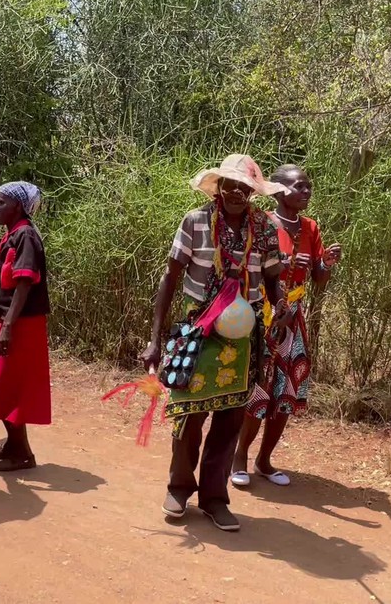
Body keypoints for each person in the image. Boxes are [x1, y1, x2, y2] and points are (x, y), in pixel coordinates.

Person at [139, 154, 293, 532]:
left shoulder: (264, 229)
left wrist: (280, 305)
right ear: (218, 187)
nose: (237, 193)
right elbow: (170, 278)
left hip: (244, 338)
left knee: (230, 419)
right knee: (189, 415)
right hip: (198, 330)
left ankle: (214, 498)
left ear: (253, 192)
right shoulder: (195, 222)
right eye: (231, 186)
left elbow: (273, 280)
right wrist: (155, 340)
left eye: (245, 187)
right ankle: (179, 488)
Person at [231, 165, 342, 488]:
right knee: (259, 389)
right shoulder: (262, 222)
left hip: (293, 318)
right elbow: (247, 266)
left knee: (286, 391)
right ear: (279, 190)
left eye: (308, 186)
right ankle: (239, 458)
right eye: (299, 186)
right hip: (264, 313)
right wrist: (281, 264)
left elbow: (318, 279)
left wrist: (325, 263)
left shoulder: (310, 227)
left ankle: (264, 461)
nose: (306, 192)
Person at [0, 182, 52, 471]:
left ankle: (23, 453)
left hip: (24, 325)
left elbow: (24, 283)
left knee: (7, 385)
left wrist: (7, 327)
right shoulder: (11, 236)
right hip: (11, 321)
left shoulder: (25, 235)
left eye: (1, 203)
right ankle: (14, 444)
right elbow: (6, 291)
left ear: (17, 206)